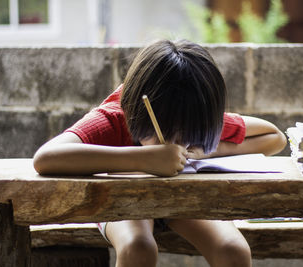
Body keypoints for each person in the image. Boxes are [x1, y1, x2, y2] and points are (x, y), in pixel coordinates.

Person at [33, 39, 286, 267]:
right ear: (138, 113)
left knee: (233, 251)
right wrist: (145, 159)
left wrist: (205, 151)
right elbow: (45, 158)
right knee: (138, 249)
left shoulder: (192, 115)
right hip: (121, 198)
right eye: (166, 131)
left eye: (186, 135)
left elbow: (275, 138)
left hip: (180, 196)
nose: (177, 142)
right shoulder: (115, 116)